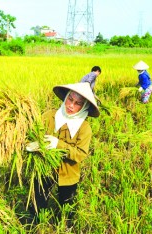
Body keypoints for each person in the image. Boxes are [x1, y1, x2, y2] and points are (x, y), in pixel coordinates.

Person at [26, 82, 99, 227]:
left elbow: (80, 154)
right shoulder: (48, 116)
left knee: (66, 208)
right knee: (37, 201)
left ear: (84, 107)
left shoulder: (84, 128)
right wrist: (32, 145)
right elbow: (35, 135)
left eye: (78, 103)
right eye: (70, 99)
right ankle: (35, 225)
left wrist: (58, 144)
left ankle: (63, 227)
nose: (71, 105)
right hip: (45, 169)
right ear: (65, 97)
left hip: (68, 173)